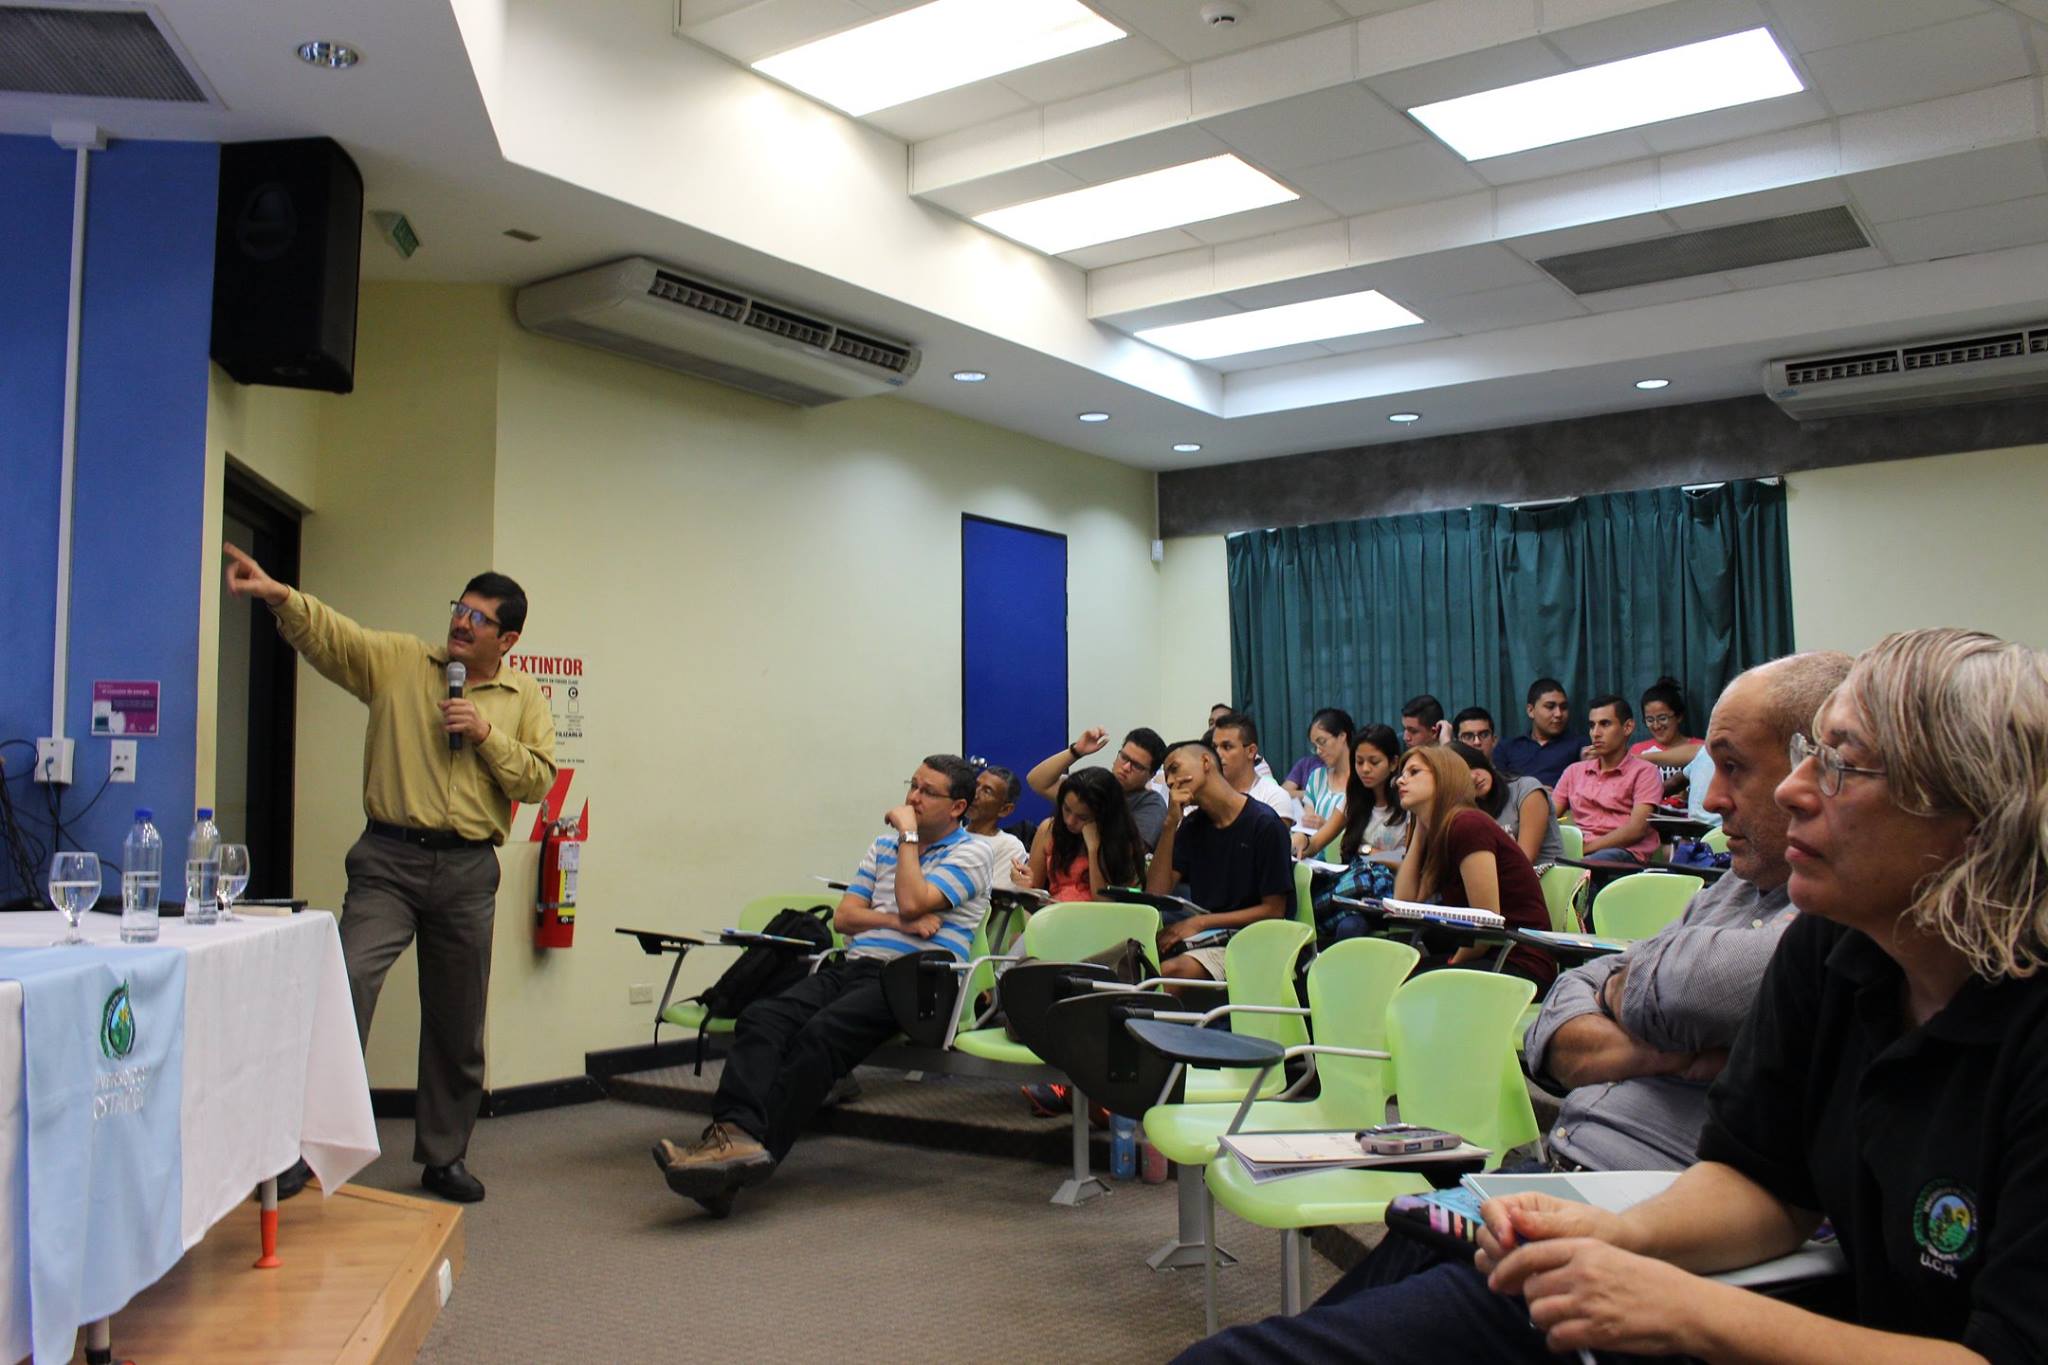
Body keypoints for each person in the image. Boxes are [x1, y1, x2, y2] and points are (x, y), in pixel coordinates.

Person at [1170, 651, 1855, 1365]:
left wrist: (1621, 982)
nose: (1712, 799)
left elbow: (1589, 959)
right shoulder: (1735, 890)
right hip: (1546, 1171)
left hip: (1632, 1210)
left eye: (1411, 770)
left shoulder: (1830, 921)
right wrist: (1644, 1022)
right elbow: (1570, 1008)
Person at [1467, 628, 2048, 1362]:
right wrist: (1618, 1233)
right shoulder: (1832, 948)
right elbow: (1763, 1181)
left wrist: (1688, 1309)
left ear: (1971, 815)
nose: (1791, 790)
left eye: (1840, 766)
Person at [221, 542, 556, 1205]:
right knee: (345, 986)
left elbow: (539, 778)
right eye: (460, 609)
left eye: (480, 619)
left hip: (468, 871)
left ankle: (443, 1156)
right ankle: (304, 1152)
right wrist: (279, 596)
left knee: (458, 1023)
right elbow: (335, 639)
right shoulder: (402, 661)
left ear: (508, 638)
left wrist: (486, 733)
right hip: (388, 862)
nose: (462, 623)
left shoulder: (524, 697)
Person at [653, 755, 993, 1217]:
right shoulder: (883, 846)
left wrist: (909, 839)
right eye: (911, 786)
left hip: (921, 981)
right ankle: (732, 1139)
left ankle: (741, 1155)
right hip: (856, 966)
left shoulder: (973, 853)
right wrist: (895, 918)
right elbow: (845, 917)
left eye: (926, 792)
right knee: (763, 1017)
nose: (911, 799)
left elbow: (915, 900)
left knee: (820, 1035)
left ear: (957, 807)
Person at [1391, 746, 1555, 992]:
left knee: (1407, 985)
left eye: (1414, 772)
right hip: (1486, 953)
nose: (1400, 780)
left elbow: (1486, 921)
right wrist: (1421, 828)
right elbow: (1404, 903)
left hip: (1518, 962)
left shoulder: (1467, 825)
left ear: (1444, 777)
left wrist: (1450, 965)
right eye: (1402, 774)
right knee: (1391, 975)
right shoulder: (1441, 828)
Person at [1148, 738, 1292, 986]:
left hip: (1255, 939)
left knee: (1169, 972)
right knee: (1136, 958)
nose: (1170, 781)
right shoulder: (1193, 826)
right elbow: (1156, 894)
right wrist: (1170, 824)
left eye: (1175, 768)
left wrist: (1200, 922)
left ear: (1205, 762)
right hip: (1210, 935)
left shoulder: (1264, 824)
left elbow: (1274, 911)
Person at [1304, 725, 1409, 939]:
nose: (1365, 769)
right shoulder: (1352, 801)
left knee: (1350, 926)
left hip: (1393, 894)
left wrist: (1371, 852)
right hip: (1357, 891)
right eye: (1359, 762)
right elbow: (1317, 842)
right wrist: (1301, 841)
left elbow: (1410, 861)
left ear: (1393, 763)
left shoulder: (1408, 804)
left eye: (1374, 762)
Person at [1552, 695, 1662, 863]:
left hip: (1624, 853)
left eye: (1605, 724)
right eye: (1591, 725)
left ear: (1628, 727)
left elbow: (1636, 830)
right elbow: (1548, 818)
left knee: (1582, 867)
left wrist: (1584, 850)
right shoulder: (1573, 772)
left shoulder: (1645, 772)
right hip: (1579, 853)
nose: (1595, 733)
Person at [1024, 726, 1168, 850]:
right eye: (1124, 757)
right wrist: (1076, 751)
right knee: (1046, 827)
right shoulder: (1095, 785)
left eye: (1136, 766)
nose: (1125, 767)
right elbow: (1036, 781)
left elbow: (1131, 852)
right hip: (1065, 866)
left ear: (1151, 774)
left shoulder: (1151, 803)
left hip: (1108, 876)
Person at [1018, 766, 1144, 902]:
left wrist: (1093, 849)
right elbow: (1033, 893)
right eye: (1066, 809)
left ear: (1103, 816)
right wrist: (1025, 884)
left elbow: (1104, 903)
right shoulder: (1049, 829)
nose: (1070, 821)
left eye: (1083, 817)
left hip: (1097, 919)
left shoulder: (1122, 842)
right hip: (1054, 914)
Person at [1450, 741, 1560, 868]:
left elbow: (1524, 861)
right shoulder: (1464, 812)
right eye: (1462, 775)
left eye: (1473, 766)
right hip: (1499, 882)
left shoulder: (1526, 790)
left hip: (1547, 880)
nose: (1473, 777)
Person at [1495, 678, 1589, 787]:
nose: (1558, 714)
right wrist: (1533, 793)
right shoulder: (1508, 747)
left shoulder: (1580, 745)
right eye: (1550, 707)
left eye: (1563, 707)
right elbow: (1498, 790)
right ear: (1531, 711)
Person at [1209, 712, 1299, 822]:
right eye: (1214, 747)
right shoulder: (1205, 796)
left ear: (1251, 751)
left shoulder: (1274, 796)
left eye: (1227, 747)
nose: (1217, 754)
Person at [1630, 676, 1705, 808]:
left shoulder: (1700, 748)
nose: (1656, 725)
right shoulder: (1638, 750)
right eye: (1650, 720)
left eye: (1662, 718)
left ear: (1679, 716)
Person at [1290, 708, 1354, 854]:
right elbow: (1307, 822)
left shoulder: (1361, 780)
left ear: (1342, 736)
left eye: (1322, 742)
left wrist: (1326, 827)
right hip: (1314, 855)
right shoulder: (1317, 777)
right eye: (1315, 746)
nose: (1319, 751)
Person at [966, 764, 1027, 891]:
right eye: (976, 785)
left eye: (987, 791)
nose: (975, 795)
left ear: (1005, 809)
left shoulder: (1008, 846)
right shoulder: (951, 833)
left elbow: (993, 895)